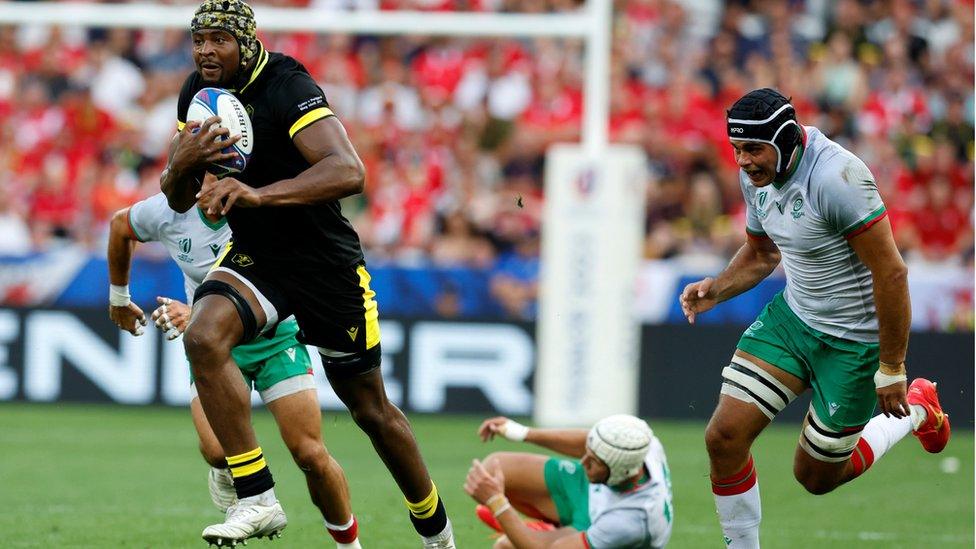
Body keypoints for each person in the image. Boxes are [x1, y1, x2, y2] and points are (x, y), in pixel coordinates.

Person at [161, 1, 454, 546]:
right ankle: (258, 499)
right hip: (259, 258)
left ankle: (437, 533)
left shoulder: (287, 83)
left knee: (371, 411)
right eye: (198, 38)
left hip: (326, 265)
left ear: (247, 42)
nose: (205, 49)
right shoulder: (196, 98)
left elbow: (349, 171)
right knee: (203, 336)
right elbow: (179, 198)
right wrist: (180, 163)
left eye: (219, 39)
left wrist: (257, 195)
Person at [679, 88, 951, 548]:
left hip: (853, 342)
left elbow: (891, 272)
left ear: (786, 139)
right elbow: (763, 253)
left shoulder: (838, 176)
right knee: (723, 437)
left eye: (752, 149)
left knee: (816, 477)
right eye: (736, 149)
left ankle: (919, 408)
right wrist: (718, 288)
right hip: (794, 319)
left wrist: (892, 367)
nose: (742, 161)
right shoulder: (758, 174)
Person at [107, 194, 362, 548]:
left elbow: (291, 272)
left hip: (275, 335)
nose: (216, 191)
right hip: (216, 347)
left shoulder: (259, 206)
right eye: (209, 176)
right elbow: (121, 225)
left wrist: (194, 312)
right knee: (215, 450)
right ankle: (238, 483)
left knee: (310, 454)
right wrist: (119, 298)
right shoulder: (167, 212)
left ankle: (349, 544)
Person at [464, 415, 673, 548]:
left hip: (596, 524)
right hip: (595, 489)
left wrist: (498, 503)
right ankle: (550, 526)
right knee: (492, 469)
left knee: (505, 546)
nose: (583, 461)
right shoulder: (641, 445)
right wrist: (524, 433)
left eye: (594, 460)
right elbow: (591, 441)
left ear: (621, 470)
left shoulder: (627, 522)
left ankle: (550, 531)